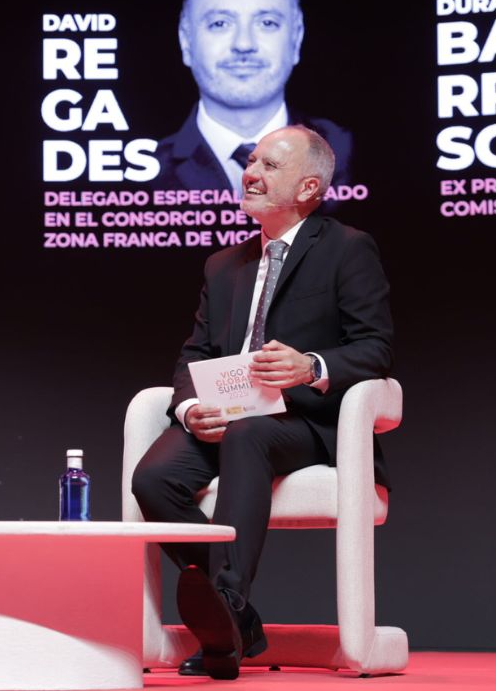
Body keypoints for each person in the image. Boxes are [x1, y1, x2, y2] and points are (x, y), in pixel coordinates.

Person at [131, 125, 392, 680]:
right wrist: (187, 408)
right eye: (251, 161)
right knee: (153, 479)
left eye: (269, 166)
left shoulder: (346, 248)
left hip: (305, 423)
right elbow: (193, 355)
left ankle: (224, 609)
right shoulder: (223, 265)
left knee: (251, 435)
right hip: (228, 415)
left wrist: (312, 367)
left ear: (308, 187)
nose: (250, 173)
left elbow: (375, 349)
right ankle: (235, 618)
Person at [152, 0, 354, 197]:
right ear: (186, 41)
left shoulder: (353, 154)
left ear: (297, 38)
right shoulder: (144, 170)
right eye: (220, 24)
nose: (244, 44)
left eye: (267, 23)